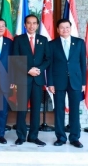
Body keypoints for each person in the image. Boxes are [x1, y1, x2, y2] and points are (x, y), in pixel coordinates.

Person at [47, 19, 86, 148]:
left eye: (67, 27)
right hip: (58, 81)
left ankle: (75, 137)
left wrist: (83, 83)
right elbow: (50, 65)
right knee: (59, 110)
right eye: (62, 28)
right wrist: (50, 83)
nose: (65, 30)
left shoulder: (79, 43)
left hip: (75, 81)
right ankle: (61, 137)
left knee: (75, 110)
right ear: (58, 30)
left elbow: (82, 63)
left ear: (70, 28)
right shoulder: (52, 44)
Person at [13, 14, 50, 146]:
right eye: (29, 23)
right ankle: (21, 136)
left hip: (38, 80)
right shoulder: (19, 40)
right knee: (21, 108)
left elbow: (47, 59)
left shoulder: (43, 40)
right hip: (23, 78)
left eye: (34, 23)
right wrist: (28, 69)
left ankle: (33, 136)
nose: (31, 25)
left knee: (36, 109)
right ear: (24, 25)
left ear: (38, 25)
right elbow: (15, 58)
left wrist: (38, 69)